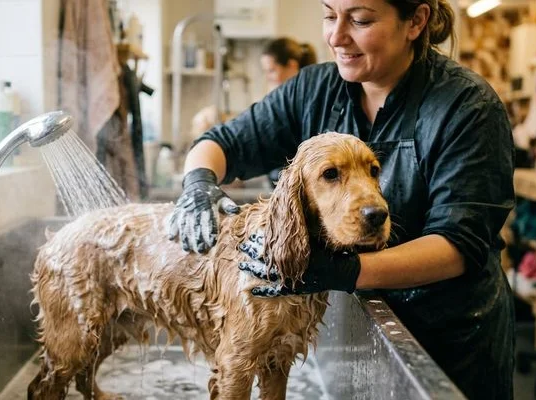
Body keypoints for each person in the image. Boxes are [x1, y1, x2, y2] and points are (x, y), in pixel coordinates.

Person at [166, 1, 516, 399]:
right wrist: (197, 182)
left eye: (361, 20)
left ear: (416, 21)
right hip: (352, 332)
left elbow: (458, 245)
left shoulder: (467, 106)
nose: (336, 36)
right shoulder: (314, 90)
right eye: (330, 15)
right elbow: (222, 144)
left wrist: (342, 273)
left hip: (450, 343)